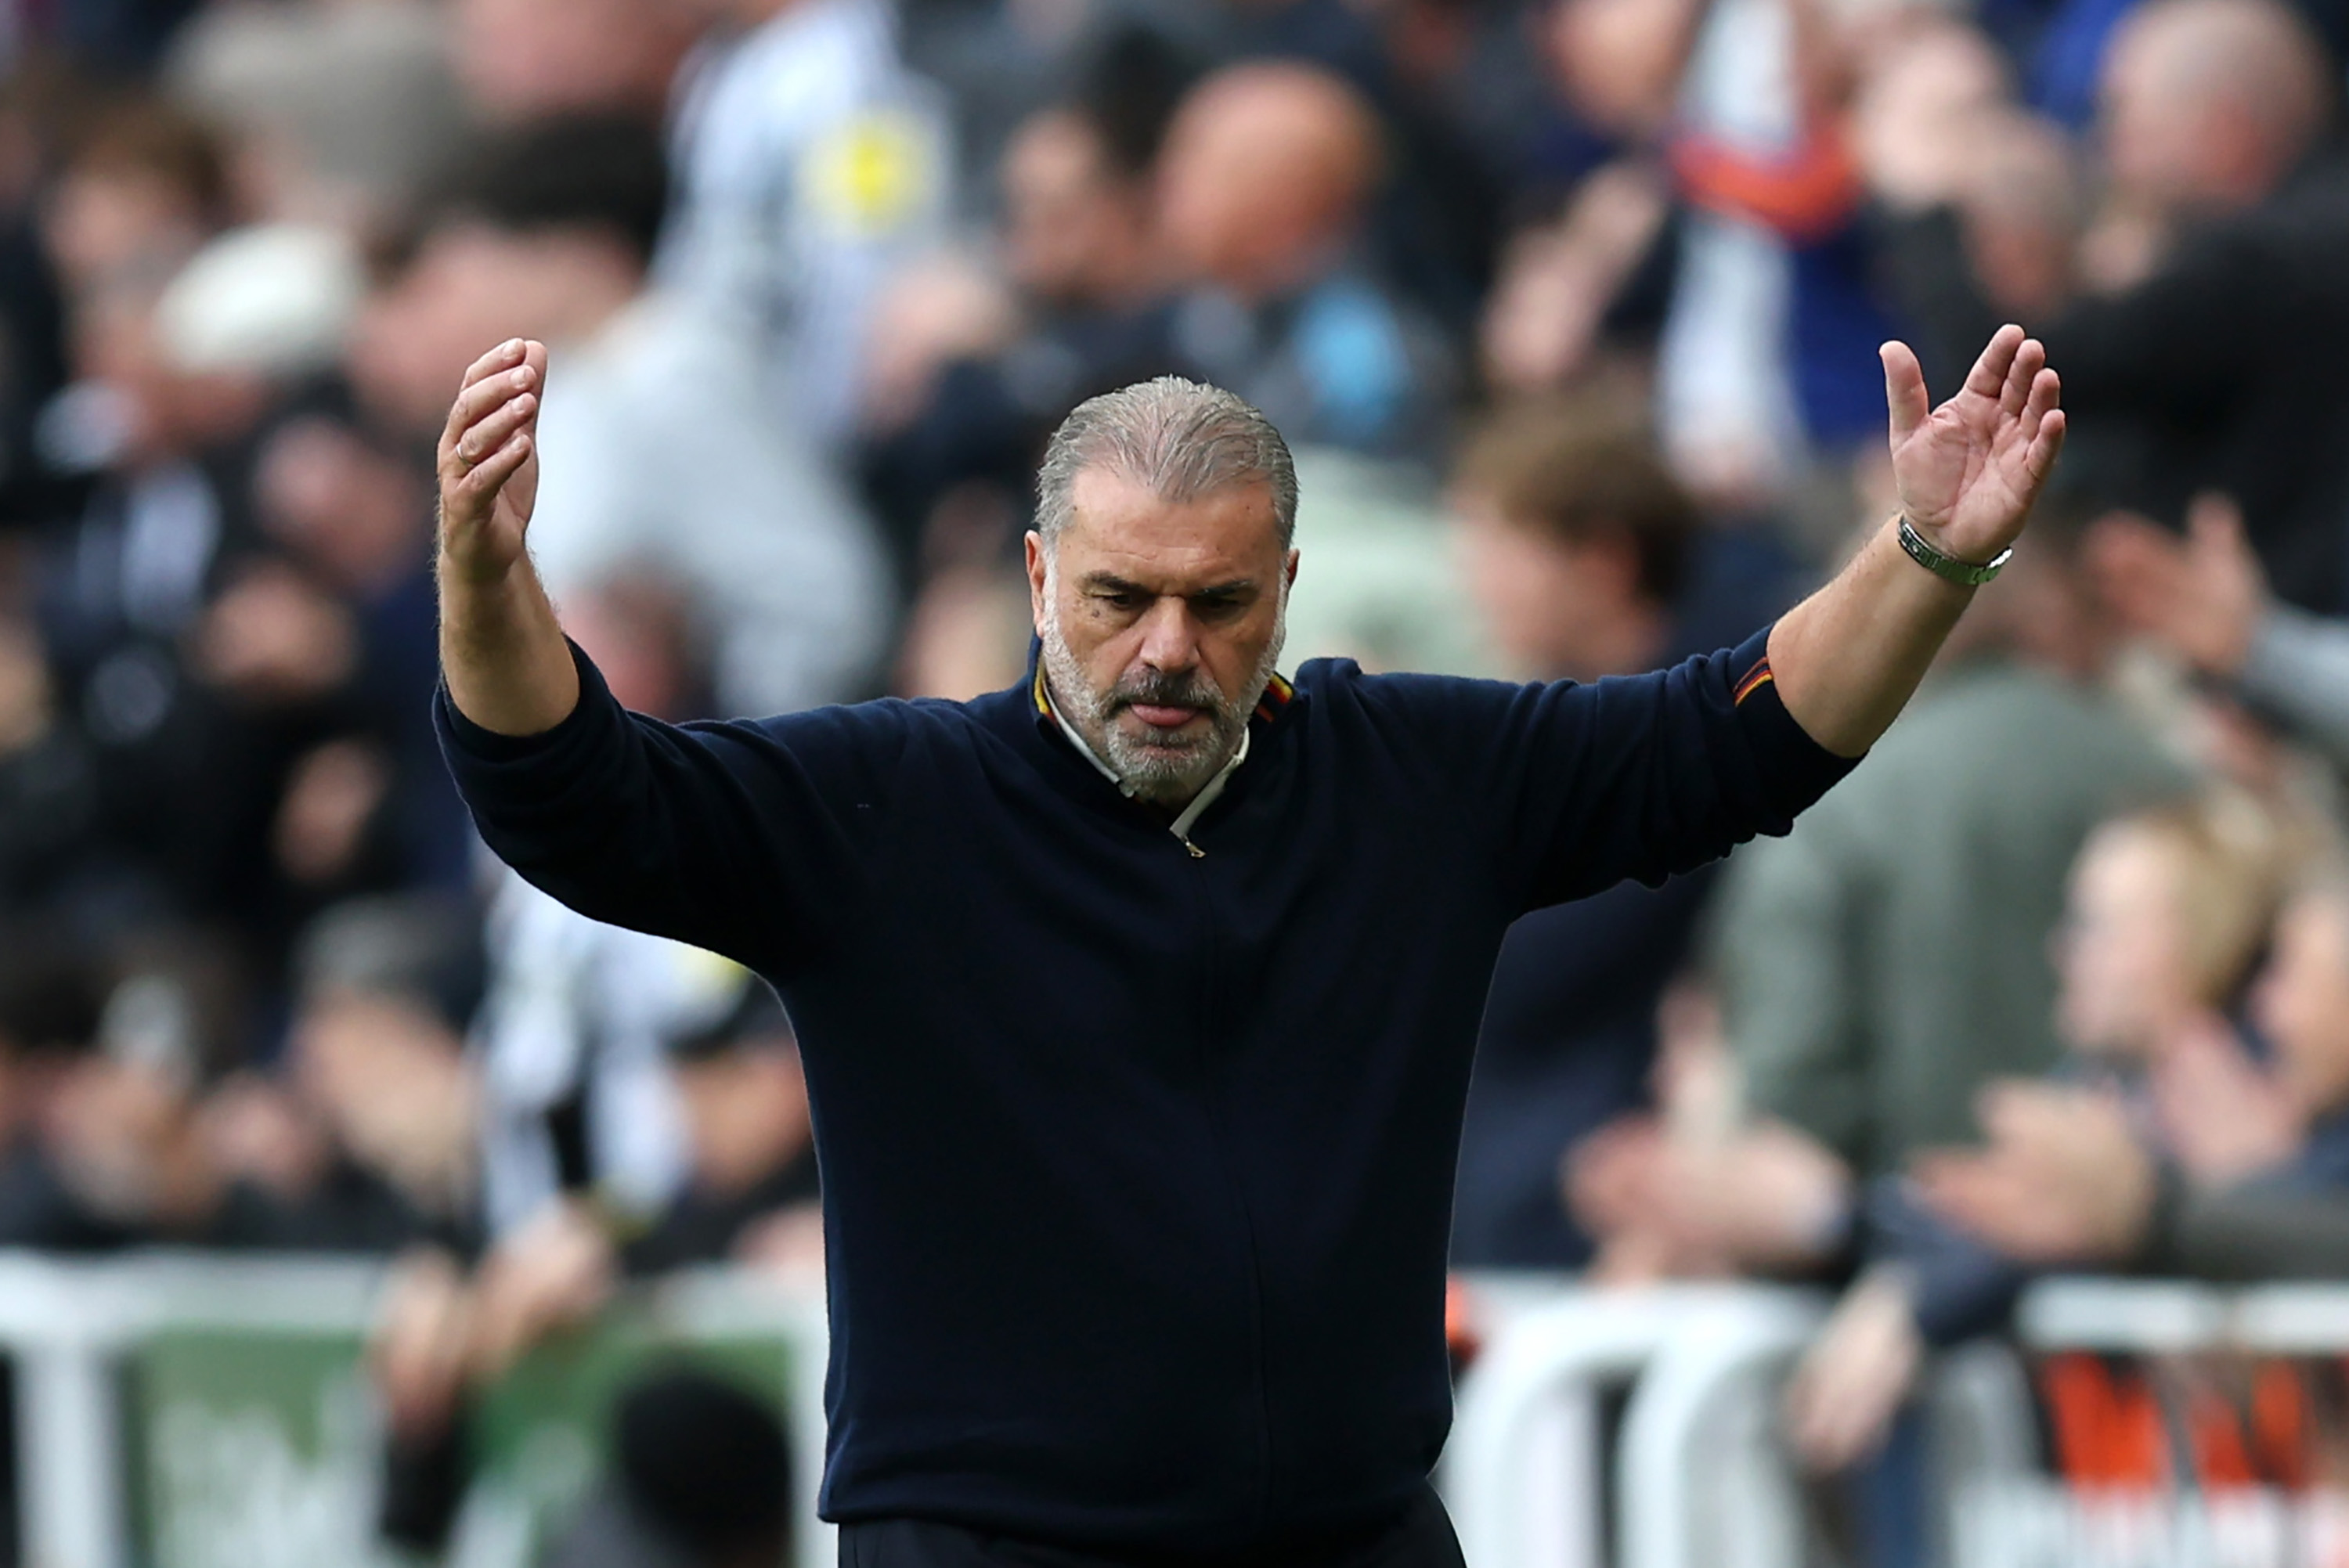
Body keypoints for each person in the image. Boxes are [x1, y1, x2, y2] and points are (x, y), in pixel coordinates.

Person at [430, 319, 2063, 1564]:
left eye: (1218, 604)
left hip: (1353, 1535)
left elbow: (1742, 741)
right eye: (1118, 598)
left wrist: (1929, 554)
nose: (1167, 650)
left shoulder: (1412, 777)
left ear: (1287, 586)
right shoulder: (884, 802)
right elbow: (574, 799)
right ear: (1038, 579)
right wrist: (489, 586)